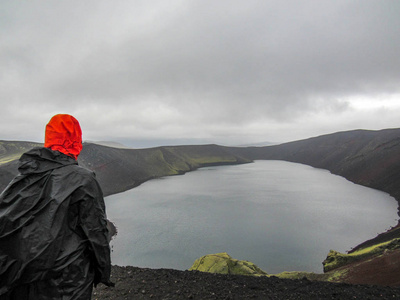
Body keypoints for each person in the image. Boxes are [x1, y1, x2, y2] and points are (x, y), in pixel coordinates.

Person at [0, 114, 114, 300]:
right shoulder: (83, 180)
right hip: (69, 280)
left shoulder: (24, 178)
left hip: (28, 278)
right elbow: (96, 231)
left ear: (49, 139)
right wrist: (103, 272)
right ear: (75, 140)